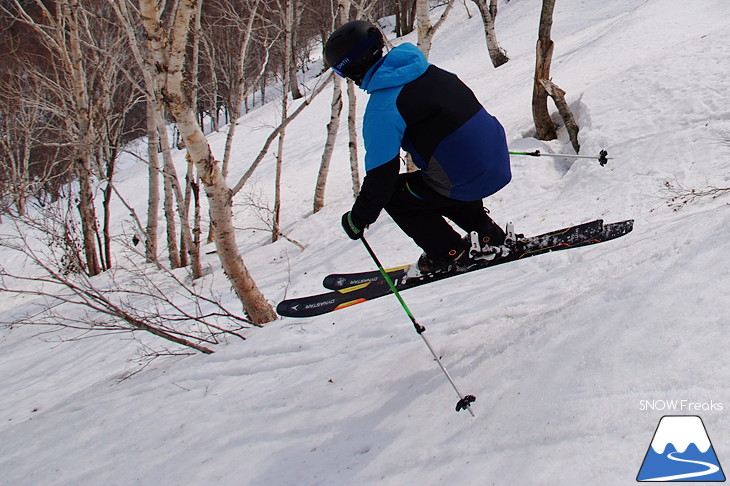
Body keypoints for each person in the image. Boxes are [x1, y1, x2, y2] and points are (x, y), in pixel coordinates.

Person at [324, 20, 512, 276]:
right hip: (497, 162)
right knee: (436, 180)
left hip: (466, 178)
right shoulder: (424, 69)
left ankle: (447, 252)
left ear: (351, 68)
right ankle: (488, 234)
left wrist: (358, 219)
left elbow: (381, 181)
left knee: (397, 196)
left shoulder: (383, 107)